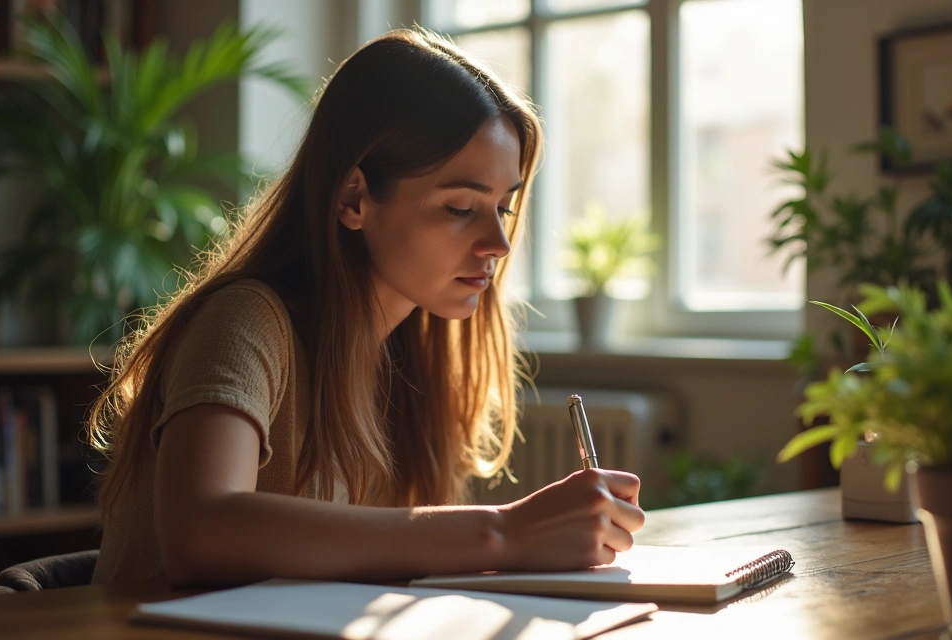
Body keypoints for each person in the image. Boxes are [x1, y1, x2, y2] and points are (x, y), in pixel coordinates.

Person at [86, 28, 645, 587]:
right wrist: (504, 532)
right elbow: (199, 533)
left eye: (503, 206)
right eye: (459, 207)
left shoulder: (406, 361)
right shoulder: (245, 321)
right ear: (353, 198)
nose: (498, 243)